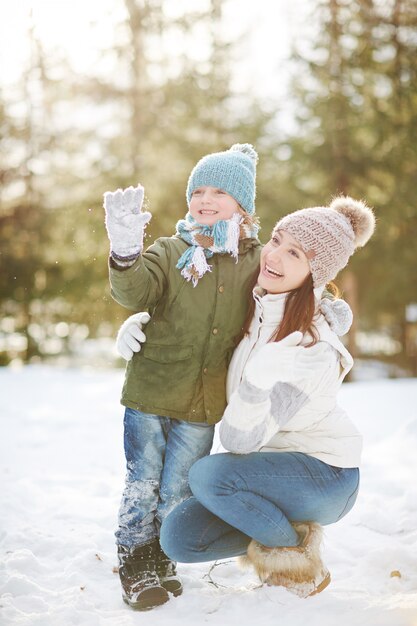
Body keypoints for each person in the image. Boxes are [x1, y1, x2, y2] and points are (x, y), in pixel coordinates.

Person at [155, 195, 376, 598]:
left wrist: (257, 382)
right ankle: (283, 528)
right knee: (180, 537)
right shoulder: (258, 309)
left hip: (326, 477)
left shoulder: (313, 349)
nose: (274, 255)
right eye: (276, 240)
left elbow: (240, 442)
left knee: (209, 476)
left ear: (315, 273)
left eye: (295, 253)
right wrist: (144, 323)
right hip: (270, 473)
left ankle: (297, 566)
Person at [103, 143, 262, 610]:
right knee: (144, 482)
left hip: (204, 403)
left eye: (220, 192)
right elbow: (134, 291)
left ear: (244, 207)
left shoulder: (253, 261)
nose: (206, 199)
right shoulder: (171, 250)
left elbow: (282, 295)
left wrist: (321, 305)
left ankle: (162, 554)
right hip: (151, 393)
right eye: (198, 190)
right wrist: (126, 252)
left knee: (177, 490)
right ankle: (135, 558)